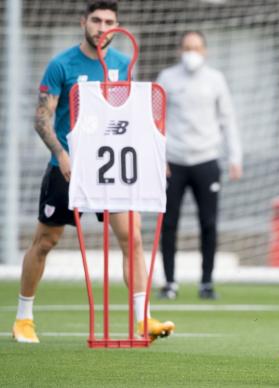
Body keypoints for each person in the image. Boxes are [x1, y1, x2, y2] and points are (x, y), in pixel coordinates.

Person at [12, 0, 174, 344]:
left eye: (109, 22)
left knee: (133, 239)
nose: (103, 28)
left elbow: (129, 119)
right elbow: (42, 119)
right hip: (67, 167)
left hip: (109, 170)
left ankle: (143, 318)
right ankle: (24, 318)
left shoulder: (122, 65)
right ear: (83, 22)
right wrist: (62, 154)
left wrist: (151, 156)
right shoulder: (61, 65)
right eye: (97, 21)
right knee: (46, 241)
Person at [155, 31, 242, 300]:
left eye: (196, 47)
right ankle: (169, 282)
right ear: (180, 50)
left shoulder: (216, 79)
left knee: (209, 223)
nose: (191, 52)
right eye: (187, 47)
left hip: (206, 160)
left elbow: (228, 118)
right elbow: (154, 120)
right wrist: (158, 157)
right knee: (168, 223)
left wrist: (234, 157)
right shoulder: (166, 79)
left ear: (204, 51)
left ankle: (206, 282)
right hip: (173, 161)